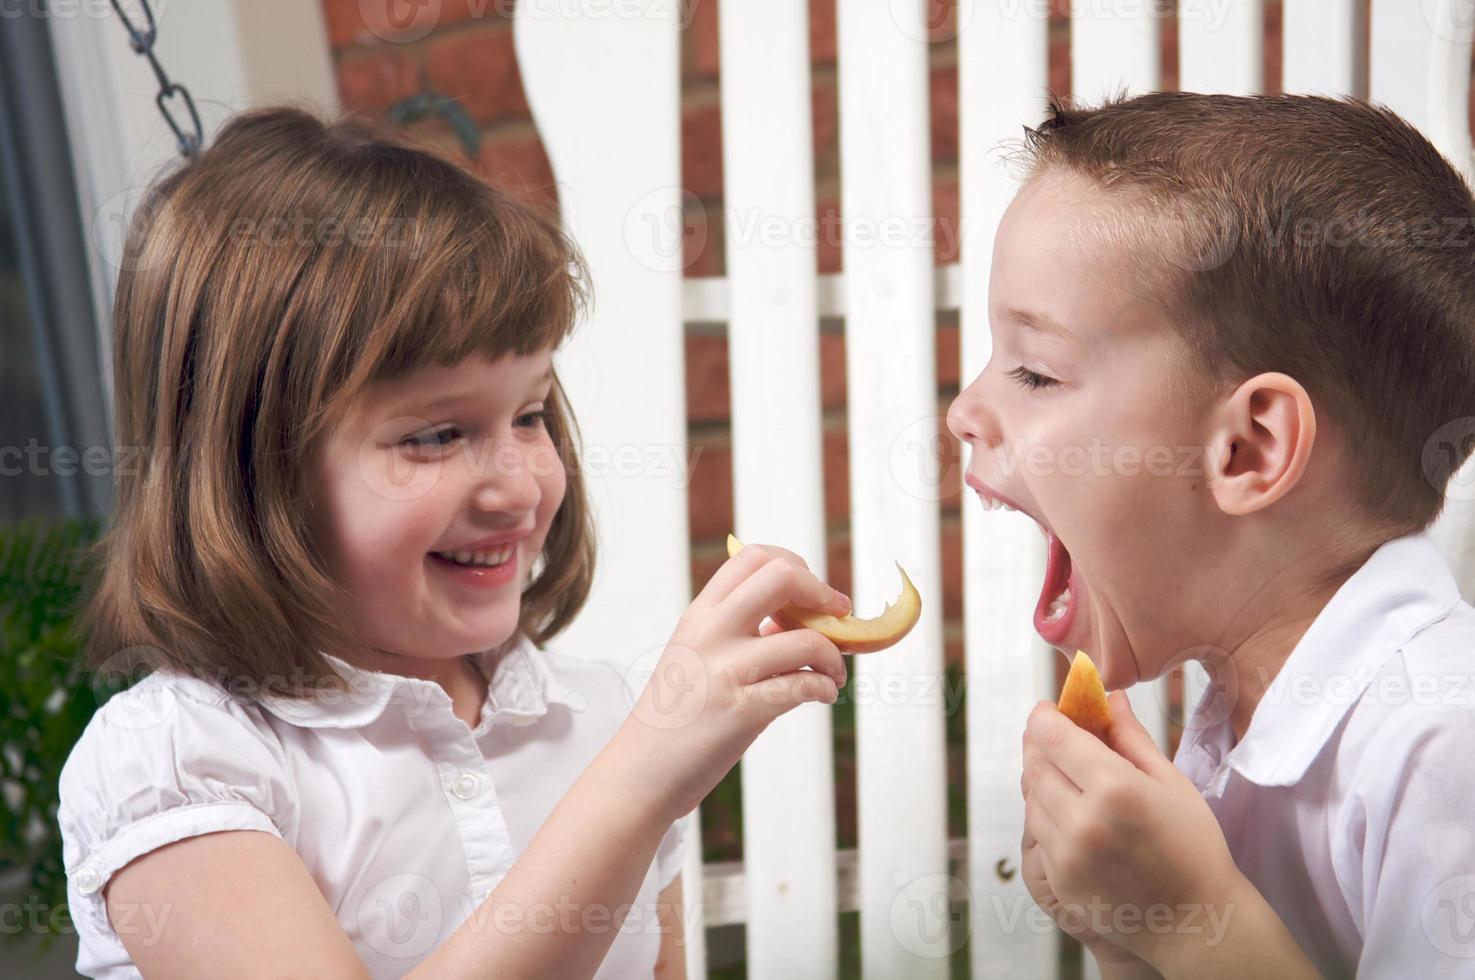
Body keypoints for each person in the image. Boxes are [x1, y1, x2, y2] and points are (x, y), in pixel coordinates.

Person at [57, 105, 851, 979]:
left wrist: (640, 761)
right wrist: (643, 775)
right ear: (252, 470)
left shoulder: (596, 723)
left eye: (530, 413)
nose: (517, 485)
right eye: (434, 436)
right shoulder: (184, 762)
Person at [947, 90, 1475, 979]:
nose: (965, 411)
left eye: (1035, 373)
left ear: (1249, 447)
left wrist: (1192, 921)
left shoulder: (1441, 742)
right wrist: (1124, 937)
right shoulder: (1234, 716)